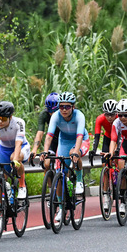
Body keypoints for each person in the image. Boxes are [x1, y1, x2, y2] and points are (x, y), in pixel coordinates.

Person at [39, 92, 90, 222]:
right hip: (64, 141)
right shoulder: (56, 116)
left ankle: (78, 180)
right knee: (60, 173)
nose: (64, 110)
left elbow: (79, 136)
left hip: (81, 139)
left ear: (73, 107)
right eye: (61, 107)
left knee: (75, 153)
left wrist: (75, 151)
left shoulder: (79, 116)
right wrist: (45, 151)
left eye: (67, 107)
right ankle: (61, 208)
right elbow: (49, 135)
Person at [0, 101, 30, 229]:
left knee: (14, 158)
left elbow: (18, 144)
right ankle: (1, 214)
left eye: (3, 119)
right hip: (4, 149)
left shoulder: (19, 123)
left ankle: (21, 186)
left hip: (20, 148)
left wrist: (15, 159)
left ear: (10, 117)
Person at [29, 92, 60, 181]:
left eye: (55, 111)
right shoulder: (44, 114)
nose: (52, 113)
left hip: (64, 140)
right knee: (46, 164)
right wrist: (34, 149)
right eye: (50, 111)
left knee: (63, 164)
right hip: (53, 140)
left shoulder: (64, 113)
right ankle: (51, 190)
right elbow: (40, 133)